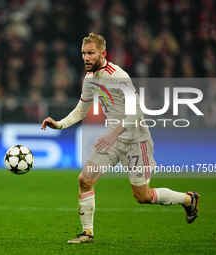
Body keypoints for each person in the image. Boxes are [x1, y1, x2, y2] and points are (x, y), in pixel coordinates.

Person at [40, 33, 200, 244]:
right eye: (83, 53)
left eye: (91, 53)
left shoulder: (118, 76)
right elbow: (82, 109)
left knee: (143, 196)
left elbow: (136, 110)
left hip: (136, 139)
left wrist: (113, 134)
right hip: (113, 140)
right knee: (85, 180)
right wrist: (59, 124)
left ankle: (188, 199)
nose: (86, 58)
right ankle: (87, 233)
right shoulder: (89, 79)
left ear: (102, 53)